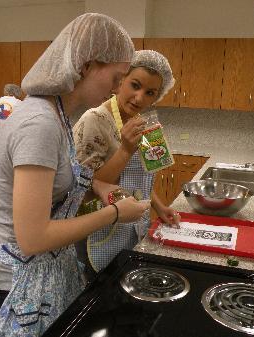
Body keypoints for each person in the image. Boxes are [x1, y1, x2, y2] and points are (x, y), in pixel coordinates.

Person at [0, 13, 149, 336]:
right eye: (116, 77)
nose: (118, 89)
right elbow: (34, 238)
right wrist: (115, 214)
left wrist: (98, 188)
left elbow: (56, 191)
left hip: (40, 278)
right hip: (16, 287)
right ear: (87, 65)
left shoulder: (57, 116)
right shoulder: (40, 124)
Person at [73, 50, 181, 276]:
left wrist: (159, 207)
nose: (140, 98)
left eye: (150, 92)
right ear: (121, 80)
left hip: (130, 228)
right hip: (97, 231)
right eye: (135, 85)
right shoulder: (95, 120)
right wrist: (125, 149)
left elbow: (140, 178)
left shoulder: (139, 121)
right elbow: (87, 188)